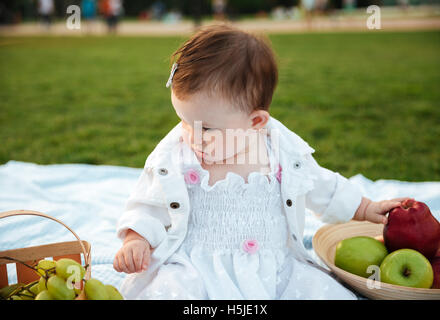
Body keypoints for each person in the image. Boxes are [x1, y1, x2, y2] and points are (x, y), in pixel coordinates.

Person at [113, 24, 408, 300]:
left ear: (256, 121)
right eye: (185, 121)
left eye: (207, 128)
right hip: (195, 264)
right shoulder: (176, 155)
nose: (192, 136)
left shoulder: (281, 151)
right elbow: (148, 202)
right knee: (170, 290)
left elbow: (320, 184)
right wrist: (135, 239)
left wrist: (366, 207)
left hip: (274, 266)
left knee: (319, 290)